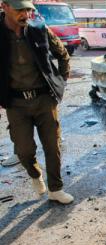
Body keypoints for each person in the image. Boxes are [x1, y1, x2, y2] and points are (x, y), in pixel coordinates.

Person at [0, 0, 73, 204]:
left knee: (53, 146)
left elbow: (63, 55)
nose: (24, 14)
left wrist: (61, 82)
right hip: (16, 104)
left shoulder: (39, 28)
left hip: (44, 99)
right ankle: (35, 175)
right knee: (24, 151)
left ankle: (56, 189)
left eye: (27, 10)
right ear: (4, 6)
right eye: (19, 10)